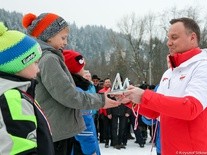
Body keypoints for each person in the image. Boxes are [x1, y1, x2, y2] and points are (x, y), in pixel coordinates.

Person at [22, 13, 119, 155]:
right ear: (48, 36)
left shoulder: (45, 57)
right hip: (57, 132)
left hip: (56, 129)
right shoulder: (49, 59)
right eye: (63, 37)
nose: (65, 42)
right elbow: (67, 95)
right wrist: (101, 101)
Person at [117, 17, 207, 154]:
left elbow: (190, 108)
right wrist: (132, 101)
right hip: (169, 149)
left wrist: (144, 95)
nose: (169, 43)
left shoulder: (204, 67)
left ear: (192, 38)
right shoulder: (169, 73)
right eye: (168, 38)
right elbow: (156, 112)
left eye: (174, 37)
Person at [0, 22, 54, 154]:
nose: (38, 68)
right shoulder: (12, 97)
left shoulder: (16, 92)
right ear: (17, 65)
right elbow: (21, 148)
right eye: (35, 62)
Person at [63, 50, 100, 155]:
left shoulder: (65, 89)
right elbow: (84, 124)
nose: (84, 70)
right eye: (82, 67)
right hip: (79, 145)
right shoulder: (77, 92)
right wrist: (91, 150)